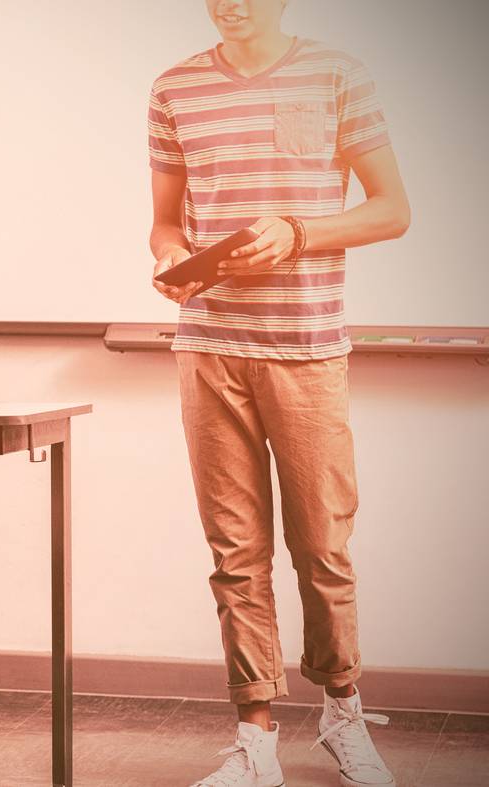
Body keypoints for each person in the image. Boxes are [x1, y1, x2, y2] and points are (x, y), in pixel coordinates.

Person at [147, 2, 410, 785]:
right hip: (208, 348)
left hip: (306, 350)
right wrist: (170, 258)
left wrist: (297, 232)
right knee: (236, 555)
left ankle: (342, 714)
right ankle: (255, 739)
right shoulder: (174, 89)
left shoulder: (337, 75)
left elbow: (393, 209)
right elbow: (163, 225)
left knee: (322, 549)